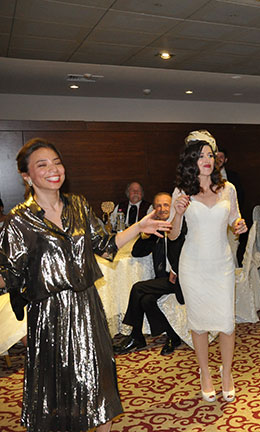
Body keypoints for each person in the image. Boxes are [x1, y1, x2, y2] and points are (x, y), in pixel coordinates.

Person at [0, 138, 170, 432]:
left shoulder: (77, 205)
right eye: (42, 165)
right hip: (49, 313)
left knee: (99, 379)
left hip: (87, 306)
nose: (53, 169)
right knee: (58, 387)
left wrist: (139, 227)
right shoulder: (19, 220)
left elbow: (104, 245)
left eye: (57, 162)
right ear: (27, 176)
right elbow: (9, 274)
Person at [169, 138, 247, 404]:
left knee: (227, 323)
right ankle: (205, 372)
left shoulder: (228, 189)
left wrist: (239, 225)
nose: (207, 160)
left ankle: (227, 372)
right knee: (199, 323)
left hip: (221, 264)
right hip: (193, 265)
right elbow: (173, 235)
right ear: (191, 161)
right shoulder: (182, 191)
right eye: (201, 155)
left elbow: (234, 219)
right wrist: (178, 213)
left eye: (210, 155)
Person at [114, 192, 185, 356]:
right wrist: (146, 236)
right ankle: (172, 337)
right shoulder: (156, 229)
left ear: (173, 206)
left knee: (138, 288)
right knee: (146, 300)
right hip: (163, 279)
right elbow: (137, 252)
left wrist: (175, 270)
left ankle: (136, 337)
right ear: (154, 209)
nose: (162, 209)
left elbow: (186, 254)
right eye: (158, 205)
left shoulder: (180, 225)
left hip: (181, 279)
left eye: (166, 205)